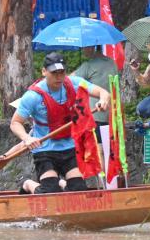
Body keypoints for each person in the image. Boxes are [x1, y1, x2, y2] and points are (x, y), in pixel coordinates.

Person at [10, 52, 110, 194]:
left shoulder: (74, 83)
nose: (59, 77)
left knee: (79, 190)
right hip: (44, 149)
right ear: (44, 71)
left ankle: (61, 183)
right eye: (54, 73)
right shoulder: (33, 96)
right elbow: (15, 123)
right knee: (49, 192)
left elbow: (102, 92)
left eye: (62, 72)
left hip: (69, 147)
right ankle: (28, 184)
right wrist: (27, 138)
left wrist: (103, 99)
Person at [72, 46, 119, 127]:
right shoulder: (112, 63)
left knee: (97, 139)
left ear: (91, 47)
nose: (83, 50)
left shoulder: (88, 66)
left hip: (95, 115)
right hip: (113, 115)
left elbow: (69, 80)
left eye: (84, 47)